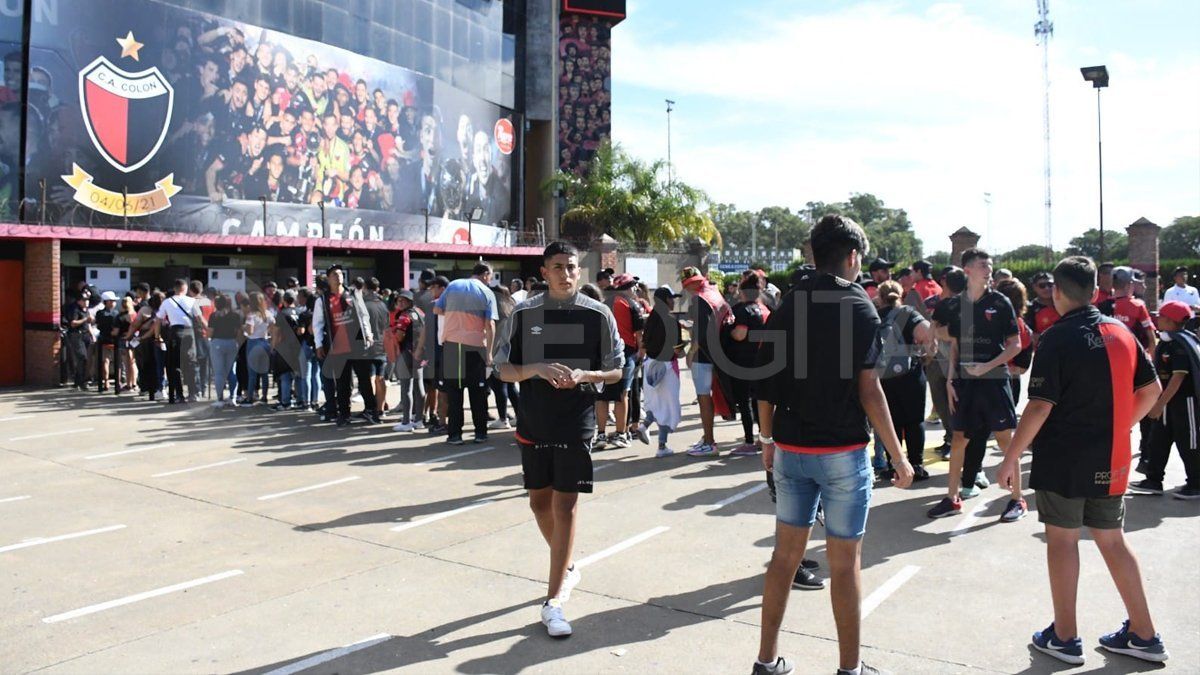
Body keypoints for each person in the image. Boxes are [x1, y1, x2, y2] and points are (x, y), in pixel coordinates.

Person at [751, 215, 914, 675]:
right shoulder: (859, 305)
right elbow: (870, 390)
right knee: (845, 565)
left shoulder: (789, 302)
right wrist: (898, 457)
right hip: (841, 452)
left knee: (784, 558)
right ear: (853, 256)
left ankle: (766, 661)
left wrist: (767, 440)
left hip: (790, 448)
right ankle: (849, 670)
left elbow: (763, 382)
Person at [996, 256, 1169, 666]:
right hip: (1111, 457)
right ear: (1096, 291)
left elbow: (1038, 406)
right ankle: (1145, 634)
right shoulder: (1121, 330)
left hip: (1064, 458)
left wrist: (1011, 456)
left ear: (1056, 292)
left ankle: (1064, 636)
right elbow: (1152, 390)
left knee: (1063, 540)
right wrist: (1115, 426)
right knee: (1113, 539)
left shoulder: (1056, 337)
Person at [495, 241, 623, 639]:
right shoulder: (524, 312)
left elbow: (616, 370)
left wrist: (587, 377)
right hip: (533, 419)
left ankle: (553, 602)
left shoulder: (598, 314)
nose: (566, 274)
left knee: (565, 505)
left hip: (577, 420)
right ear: (544, 271)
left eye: (571, 267)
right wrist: (534, 368)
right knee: (539, 503)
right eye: (558, 267)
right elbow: (502, 368)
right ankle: (566, 564)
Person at [927, 249, 1027, 522]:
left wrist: (987, 366)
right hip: (964, 383)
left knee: (1006, 439)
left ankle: (1017, 499)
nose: (989, 268)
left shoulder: (1000, 301)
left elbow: (1015, 344)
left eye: (990, 265)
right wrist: (949, 379)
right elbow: (955, 344)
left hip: (995, 381)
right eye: (984, 265)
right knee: (959, 438)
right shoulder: (955, 305)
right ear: (967, 270)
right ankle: (952, 497)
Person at [1129, 301, 1200, 499]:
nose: (1156, 319)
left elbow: (1178, 377)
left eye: (1160, 316)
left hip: (1184, 402)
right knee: (1158, 439)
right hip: (1167, 401)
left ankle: (1196, 483)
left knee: (1189, 442)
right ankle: (1153, 480)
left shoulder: (1179, 345)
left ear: (1170, 321)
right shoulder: (1168, 342)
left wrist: (1158, 404)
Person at [875, 280, 934, 480]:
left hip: (883, 377)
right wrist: (926, 354)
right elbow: (927, 334)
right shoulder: (908, 313)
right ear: (900, 296)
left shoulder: (873, 316)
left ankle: (894, 466)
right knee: (914, 421)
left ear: (880, 298)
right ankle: (916, 464)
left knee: (890, 422)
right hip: (911, 375)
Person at [435, 263, 499, 445]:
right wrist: (489, 354)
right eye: (491, 276)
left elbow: (437, 310)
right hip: (476, 347)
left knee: (454, 393)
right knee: (478, 392)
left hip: (452, 345)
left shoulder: (453, 285)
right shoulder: (487, 293)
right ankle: (480, 433)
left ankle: (455, 435)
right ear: (485, 274)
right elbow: (490, 325)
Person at [313, 264, 375, 427]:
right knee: (342, 383)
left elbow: (363, 315)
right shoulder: (322, 300)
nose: (338, 276)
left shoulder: (353, 293)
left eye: (340, 273)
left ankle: (371, 411)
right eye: (334, 274)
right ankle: (344, 414)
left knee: (364, 379)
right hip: (338, 346)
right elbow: (317, 324)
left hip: (357, 344)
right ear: (328, 278)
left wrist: (368, 333)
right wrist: (319, 344)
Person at [681, 267, 731, 458]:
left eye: (687, 285)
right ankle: (707, 438)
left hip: (704, 355)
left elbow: (700, 333)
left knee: (703, 398)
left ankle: (709, 441)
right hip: (718, 352)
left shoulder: (700, 298)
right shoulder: (714, 292)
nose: (687, 289)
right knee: (707, 397)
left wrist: (690, 353)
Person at [634, 285, 684, 457]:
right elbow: (678, 350)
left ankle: (644, 425)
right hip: (668, 367)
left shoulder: (651, 319)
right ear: (667, 300)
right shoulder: (672, 321)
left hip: (650, 364)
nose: (673, 302)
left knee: (654, 402)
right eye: (672, 298)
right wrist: (686, 350)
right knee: (668, 407)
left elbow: (644, 343)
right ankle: (662, 447)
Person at [725, 274, 771, 456]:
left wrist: (729, 330)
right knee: (759, 401)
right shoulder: (764, 309)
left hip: (745, 362)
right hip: (763, 360)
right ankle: (763, 437)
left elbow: (740, 334)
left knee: (744, 402)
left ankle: (749, 441)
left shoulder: (744, 311)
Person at [595, 273, 642, 449]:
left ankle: (600, 434)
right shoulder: (632, 305)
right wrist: (641, 355)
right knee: (622, 395)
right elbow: (639, 336)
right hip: (625, 354)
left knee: (602, 396)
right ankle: (621, 434)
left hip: (602, 355)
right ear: (627, 287)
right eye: (633, 286)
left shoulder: (602, 304)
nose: (635, 289)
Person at [156, 279, 206, 404]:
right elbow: (200, 319)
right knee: (191, 363)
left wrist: (157, 336)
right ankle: (193, 393)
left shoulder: (167, 302)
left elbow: (158, 320)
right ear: (185, 288)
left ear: (175, 288)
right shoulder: (192, 301)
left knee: (175, 365)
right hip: (189, 333)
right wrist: (208, 332)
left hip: (174, 333)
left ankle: (179, 395)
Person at [390, 290, 426, 432]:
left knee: (406, 388)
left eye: (403, 300)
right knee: (419, 386)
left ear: (410, 301)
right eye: (399, 300)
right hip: (421, 353)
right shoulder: (420, 313)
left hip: (407, 353)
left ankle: (406, 421)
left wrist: (394, 333)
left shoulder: (404, 316)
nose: (400, 303)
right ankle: (419, 420)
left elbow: (399, 336)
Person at [357, 278, 390, 424]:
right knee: (380, 377)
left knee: (368, 378)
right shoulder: (383, 305)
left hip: (366, 346)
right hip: (381, 345)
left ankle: (370, 409)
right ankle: (380, 409)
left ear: (365, 287)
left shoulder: (363, 304)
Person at [487, 285, 520, 430]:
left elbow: (494, 335)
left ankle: (502, 418)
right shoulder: (512, 308)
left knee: (498, 385)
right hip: (512, 353)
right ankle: (520, 416)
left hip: (498, 353)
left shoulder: (497, 311)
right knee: (511, 386)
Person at [270, 290, 304, 411]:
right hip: (299, 347)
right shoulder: (301, 312)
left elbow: (277, 332)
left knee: (285, 376)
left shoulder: (282, 314)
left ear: (284, 301)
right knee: (299, 375)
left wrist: (273, 346)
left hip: (285, 347)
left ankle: (285, 401)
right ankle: (301, 400)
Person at [207, 294, 242, 407]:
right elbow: (238, 332)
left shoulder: (214, 316)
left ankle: (220, 398)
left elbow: (210, 332)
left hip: (217, 342)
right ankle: (233, 397)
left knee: (219, 372)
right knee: (232, 371)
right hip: (232, 342)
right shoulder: (235, 315)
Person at [241, 291, 275, 406]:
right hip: (264, 341)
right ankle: (264, 397)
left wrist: (243, 328)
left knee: (252, 373)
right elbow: (272, 327)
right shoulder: (268, 313)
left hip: (253, 342)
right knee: (264, 373)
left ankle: (250, 397)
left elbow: (250, 331)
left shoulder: (251, 315)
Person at [60, 290, 92, 390]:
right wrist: (84, 319)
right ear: (79, 301)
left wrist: (92, 335)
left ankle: (78, 382)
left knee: (83, 360)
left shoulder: (85, 310)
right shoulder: (75, 309)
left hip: (86, 335)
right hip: (77, 336)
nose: (86, 302)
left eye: (87, 300)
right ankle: (81, 382)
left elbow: (89, 324)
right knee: (82, 357)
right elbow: (73, 323)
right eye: (84, 300)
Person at [94, 291, 120, 392]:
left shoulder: (99, 313)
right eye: (112, 301)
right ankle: (117, 382)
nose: (114, 303)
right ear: (107, 302)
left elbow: (98, 324)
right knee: (117, 362)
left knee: (105, 361)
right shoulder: (116, 313)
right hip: (114, 339)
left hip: (103, 338)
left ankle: (106, 381)